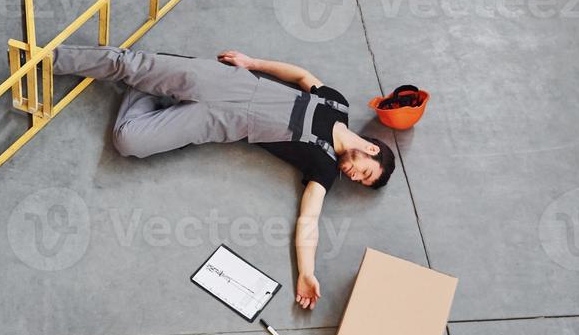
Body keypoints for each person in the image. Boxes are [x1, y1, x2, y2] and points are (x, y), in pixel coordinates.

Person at [51, 45, 396, 310]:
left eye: (359, 182)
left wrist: (306, 272)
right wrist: (252, 63)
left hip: (221, 124)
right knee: (130, 65)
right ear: (371, 149)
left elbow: (309, 219)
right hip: (228, 81)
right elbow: (303, 77)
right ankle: (51, 58)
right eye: (364, 172)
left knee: (128, 141)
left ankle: (149, 89)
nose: (353, 175)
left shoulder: (324, 168)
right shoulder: (337, 106)